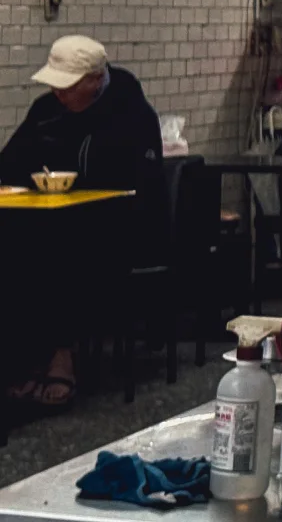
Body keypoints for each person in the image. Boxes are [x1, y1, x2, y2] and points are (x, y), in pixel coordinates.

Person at [0, 36, 162, 409]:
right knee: (15, 245)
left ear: (94, 80)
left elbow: (143, 191)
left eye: (68, 85)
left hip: (118, 229)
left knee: (61, 250)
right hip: (49, 219)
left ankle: (61, 356)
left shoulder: (131, 115)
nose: (59, 94)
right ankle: (22, 358)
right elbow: (10, 161)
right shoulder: (46, 111)